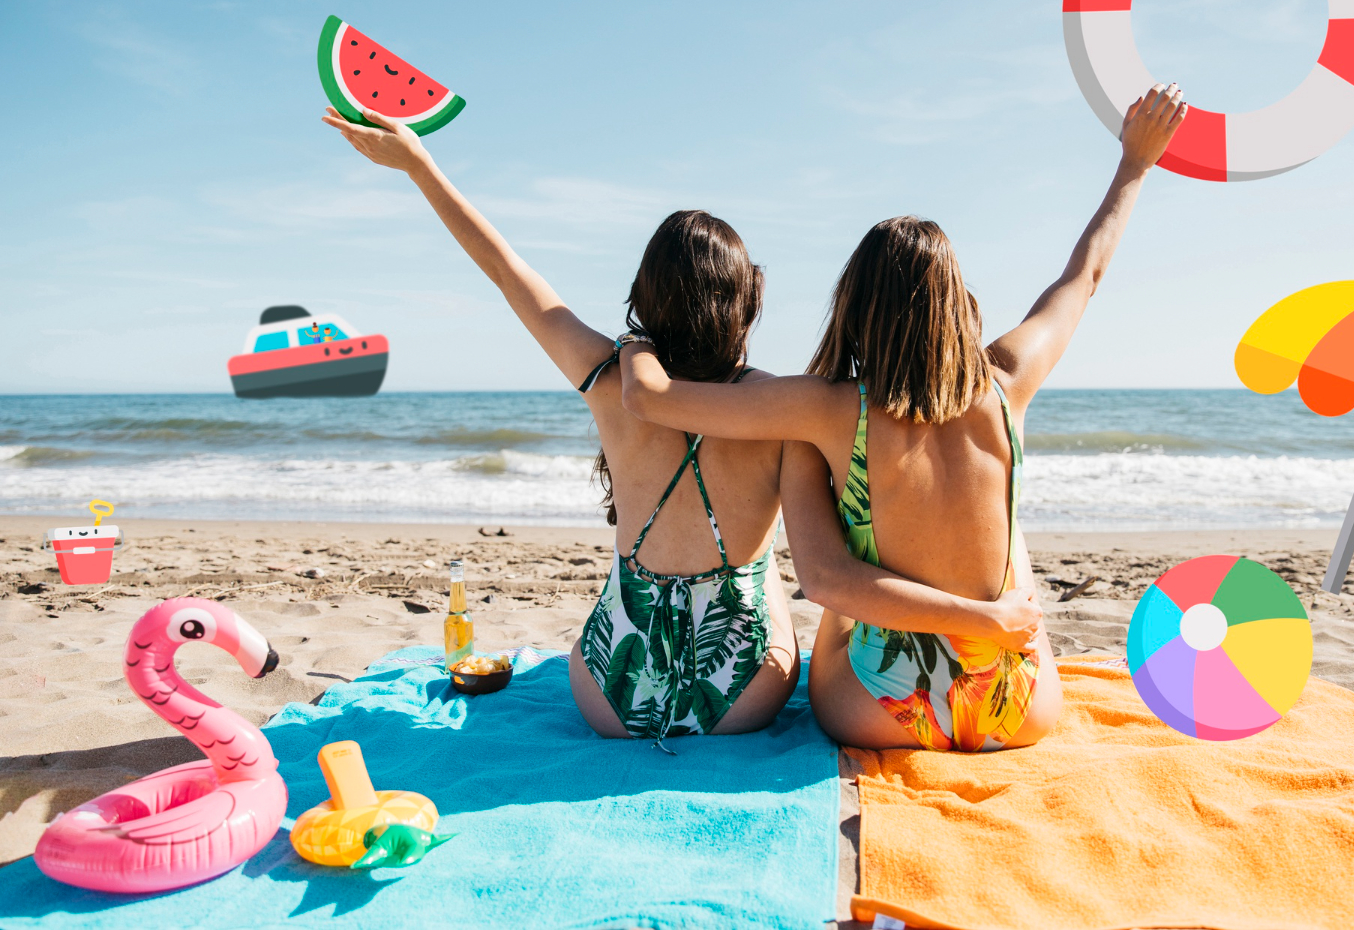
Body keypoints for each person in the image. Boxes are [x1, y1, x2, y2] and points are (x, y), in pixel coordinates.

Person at [319, 106, 1019, 747]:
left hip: (609, 696)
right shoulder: (785, 411)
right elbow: (828, 569)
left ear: (644, 296)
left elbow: (506, 270)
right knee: (767, 567)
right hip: (744, 698)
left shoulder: (610, 380)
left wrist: (419, 165)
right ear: (748, 300)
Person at [617, 83, 1188, 751]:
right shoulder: (1008, 382)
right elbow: (1083, 275)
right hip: (1015, 706)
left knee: (837, 589)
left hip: (886, 711)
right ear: (956, 302)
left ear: (853, 305)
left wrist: (636, 341)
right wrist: (1134, 164)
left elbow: (651, 399)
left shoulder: (827, 408)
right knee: (1011, 536)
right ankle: (991, 625)